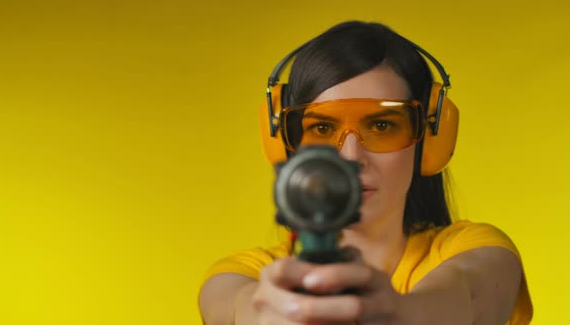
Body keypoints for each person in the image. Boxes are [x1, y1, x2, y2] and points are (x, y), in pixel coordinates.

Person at [198, 20, 532, 324]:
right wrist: (265, 313)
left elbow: (467, 297)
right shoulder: (243, 275)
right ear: (285, 147)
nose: (351, 156)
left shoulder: (481, 251)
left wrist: (398, 313)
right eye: (323, 128)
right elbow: (232, 306)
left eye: (382, 125)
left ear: (430, 139)